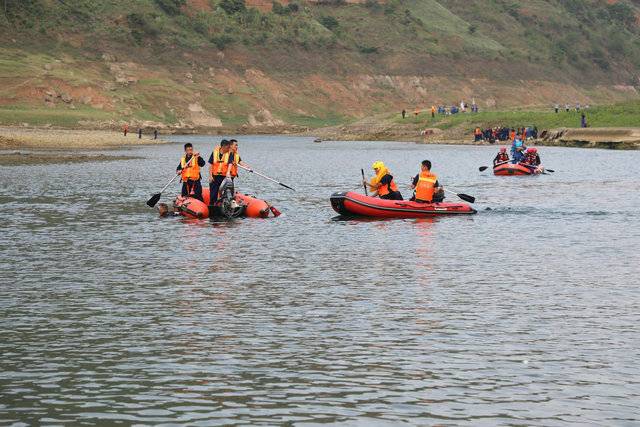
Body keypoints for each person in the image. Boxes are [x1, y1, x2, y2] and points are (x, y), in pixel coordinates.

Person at [208, 139, 233, 207]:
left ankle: (225, 206)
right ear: (223, 146)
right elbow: (210, 165)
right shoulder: (214, 152)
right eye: (228, 147)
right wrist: (210, 176)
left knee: (225, 193)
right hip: (214, 176)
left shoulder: (230, 153)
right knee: (213, 194)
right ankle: (212, 206)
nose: (229, 149)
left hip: (224, 177)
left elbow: (230, 164)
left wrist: (228, 172)